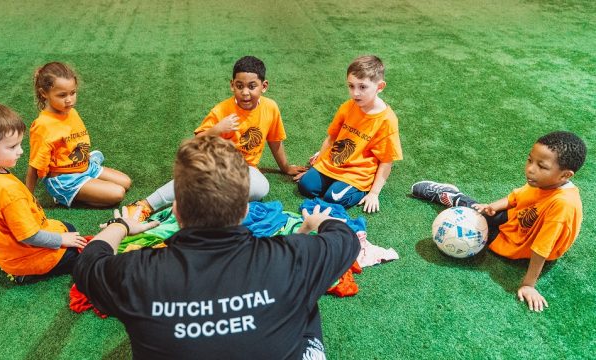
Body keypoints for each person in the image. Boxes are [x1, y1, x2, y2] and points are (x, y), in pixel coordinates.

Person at [73, 135, 360, 359]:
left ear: (176, 210)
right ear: (246, 211)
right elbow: (345, 238)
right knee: (306, 300)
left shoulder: (136, 272)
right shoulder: (293, 257)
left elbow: (90, 260)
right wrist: (317, 224)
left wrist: (121, 226)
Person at [411, 131, 586, 312]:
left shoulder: (563, 205)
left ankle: (457, 198)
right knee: (478, 210)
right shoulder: (543, 182)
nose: (530, 169)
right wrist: (493, 206)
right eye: (529, 160)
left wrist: (528, 285)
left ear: (565, 175)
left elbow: (541, 249)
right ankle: (450, 195)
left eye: (541, 166)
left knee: (474, 231)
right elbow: (516, 197)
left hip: (521, 244)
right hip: (514, 220)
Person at [127, 56, 305, 220]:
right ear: (232, 85)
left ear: (263, 86)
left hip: (244, 167)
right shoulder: (221, 110)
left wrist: (286, 167)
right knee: (196, 177)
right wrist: (218, 129)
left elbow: (275, 141)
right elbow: (194, 144)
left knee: (261, 188)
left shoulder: (271, 107)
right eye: (239, 85)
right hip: (215, 163)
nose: (245, 92)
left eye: (252, 86)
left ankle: (206, 198)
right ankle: (145, 204)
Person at [0, 104, 87, 284]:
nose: (20, 151)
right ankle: (22, 274)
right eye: (11, 147)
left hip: (6, 247)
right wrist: (60, 239)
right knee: (78, 251)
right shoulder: (8, 191)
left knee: (68, 228)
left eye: (19, 144)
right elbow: (30, 236)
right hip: (25, 257)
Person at [295, 55, 402, 213]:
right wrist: (318, 162)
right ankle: (333, 182)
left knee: (333, 198)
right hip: (334, 162)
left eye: (362, 87)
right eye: (351, 86)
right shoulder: (347, 107)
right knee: (305, 186)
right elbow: (331, 138)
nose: (355, 93)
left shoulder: (387, 120)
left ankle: (358, 188)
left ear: (380, 87)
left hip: (358, 173)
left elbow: (386, 161)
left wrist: (374, 193)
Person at [26, 62, 132, 208]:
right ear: (44, 93)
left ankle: (87, 179)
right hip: (65, 179)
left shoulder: (72, 112)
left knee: (126, 182)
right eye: (62, 95)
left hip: (86, 166)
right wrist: (28, 198)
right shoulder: (43, 125)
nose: (69, 99)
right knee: (118, 194)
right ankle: (63, 195)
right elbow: (34, 166)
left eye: (73, 92)